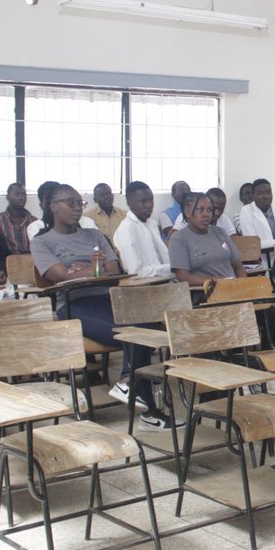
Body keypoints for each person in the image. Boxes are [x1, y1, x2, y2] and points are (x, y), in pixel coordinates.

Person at [30, 183, 170, 429]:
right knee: (135, 334)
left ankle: (129, 383)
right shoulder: (42, 242)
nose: (77, 209)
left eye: (79, 204)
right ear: (53, 206)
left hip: (107, 299)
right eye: (70, 203)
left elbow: (114, 270)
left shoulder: (94, 235)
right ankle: (145, 406)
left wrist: (80, 270)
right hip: (74, 306)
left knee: (148, 327)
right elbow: (60, 275)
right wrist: (94, 268)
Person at [168, 192, 275, 345]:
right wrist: (215, 282)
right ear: (187, 212)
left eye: (209, 210)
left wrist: (241, 285)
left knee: (272, 313)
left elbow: (238, 265)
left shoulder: (219, 233)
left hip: (233, 291)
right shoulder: (179, 238)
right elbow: (183, 276)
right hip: (205, 293)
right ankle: (233, 356)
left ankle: (264, 357)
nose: (207, 214)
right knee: (234, 316)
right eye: (201, 210)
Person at [113, 182, 171, 278]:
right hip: (144, 287)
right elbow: (136, 272)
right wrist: (172, 269)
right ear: (129, 203)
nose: (149, 205)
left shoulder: (151, 224)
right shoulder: (126, 229)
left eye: (151, 200)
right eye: (143, 201)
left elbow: (164, 258)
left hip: (167, 279)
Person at [237, 178, 275, 268]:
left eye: (268, 192)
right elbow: (253, 243)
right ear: (253, 195)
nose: (265, 196)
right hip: (264, 261)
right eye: (260, 193)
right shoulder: (247, 211)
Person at [26, 181, 96, 239]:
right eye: (49, 202)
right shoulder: (35, 228)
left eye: (71, 202)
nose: (53, 205)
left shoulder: (87, 222)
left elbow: (98, 250)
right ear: (42, 206)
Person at [0, 182, 37, 255]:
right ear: (8, 197)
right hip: (7, 263)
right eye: (17, 194)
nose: (22, 198)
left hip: (31, 263)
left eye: (24, 195)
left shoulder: (35, 222)